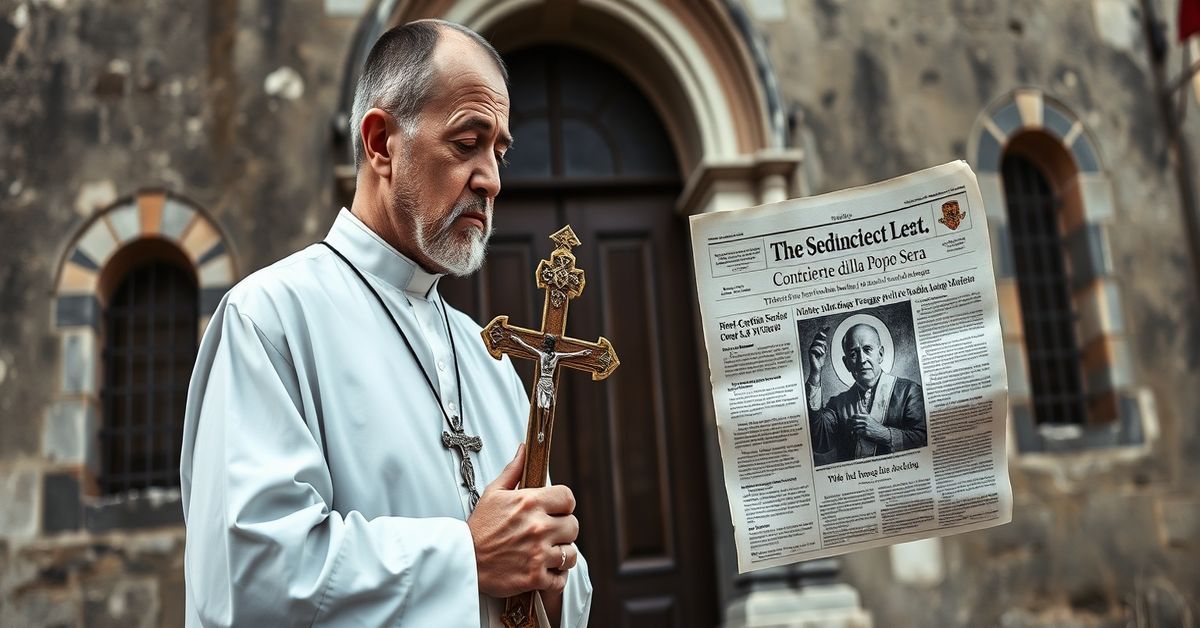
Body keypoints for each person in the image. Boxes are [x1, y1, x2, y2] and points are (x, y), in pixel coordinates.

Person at [180, 20, 591, 627]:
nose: (492, 180)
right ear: (381, 144)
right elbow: (249, 577)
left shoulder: (490, 357)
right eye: (466, 143)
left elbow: (545, 572)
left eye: (499, 151)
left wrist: (555, 574)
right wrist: (464, 556)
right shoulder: (269, 320)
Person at [805, 322, 926, 466]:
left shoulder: (910, 392)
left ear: (880, 354)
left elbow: (924, 439)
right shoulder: (838, 404)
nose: (862, 360)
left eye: (867, 349)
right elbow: (819, 441)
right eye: (853, 354)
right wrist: (815, 373)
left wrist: (883, 434)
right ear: (847, 363)